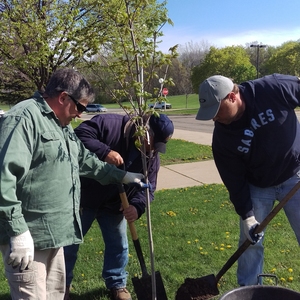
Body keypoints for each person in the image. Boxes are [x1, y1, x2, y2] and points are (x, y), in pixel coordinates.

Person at [0, 68, 145, 300]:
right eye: (80, 107)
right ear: (63, 97)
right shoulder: (23, 119)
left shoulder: (61, 124)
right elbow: (3, 178)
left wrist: (122, 176)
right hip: (29, 238)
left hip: (55, 235)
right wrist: (18, 232)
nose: (80, 114)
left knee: (55, 295)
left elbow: (85, 161)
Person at [195, 74, 300, 286]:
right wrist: (248, 216)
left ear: (232, 97)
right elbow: (234, 181)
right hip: (258, 186)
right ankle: (248, 292)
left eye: (216, 111)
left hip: (294, 173)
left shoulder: (272, 88)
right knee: (250, 242)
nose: (214, 118)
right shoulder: (222, 138)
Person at [63, 112, 174, 300]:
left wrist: (137, 207)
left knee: (118, 244)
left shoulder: (151, 156)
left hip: (115, 203)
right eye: (153, 142)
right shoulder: (110, 124)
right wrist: (105, 152)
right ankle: (61, 284)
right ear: (144, 131)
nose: (153, 149)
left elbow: (149, 188)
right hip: (85, 196)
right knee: (69, 243)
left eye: (158, 146)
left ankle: (117, 284)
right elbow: (78, 135)